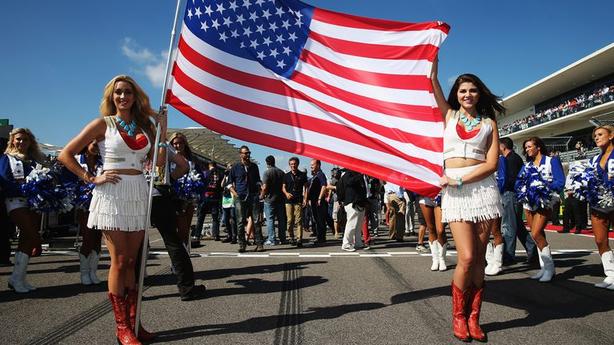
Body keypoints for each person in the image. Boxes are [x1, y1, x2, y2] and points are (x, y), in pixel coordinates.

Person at [58, 75, 163, 344]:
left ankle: (134, 323)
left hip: (138, 190)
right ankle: (122, 328)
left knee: (132, 261)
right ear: (111, 96)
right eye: (118, 92)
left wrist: (163, 128)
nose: (123, 96)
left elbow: (158, 160)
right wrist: (91, 177)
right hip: (112, 191)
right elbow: (65, 154)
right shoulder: (102, 124)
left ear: (135, 96)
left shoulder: (144, 125)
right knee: (118, 261)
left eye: (128, 92)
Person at [432, 60, 504, 342]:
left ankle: (474, 318)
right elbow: (432, 84)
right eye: (463, 90)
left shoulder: (488, 123)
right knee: (467, 257)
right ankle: (459, 316)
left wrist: (459, 179)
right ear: (457, 94)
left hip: (482, 191)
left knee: (479, 264)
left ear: (479, 94)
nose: (468, 95)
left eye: (473, 90)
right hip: (455, 195)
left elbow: (492, 164)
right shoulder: (448, 116)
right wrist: (433, 64)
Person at [0, 128, 47, 293]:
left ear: (30, 142)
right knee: (31, 234)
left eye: (25, 140)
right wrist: (25, 190)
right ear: (12, 140)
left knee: (26, 239)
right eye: (18, 139)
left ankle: (17, 279)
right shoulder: (6, 158)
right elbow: (5, 180)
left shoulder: (36, 161)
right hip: (15, 202)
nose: (21, 142)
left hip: (34, 203)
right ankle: (38, 245)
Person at [517, 136, 564, 285]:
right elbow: (519, 182)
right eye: (526, 147)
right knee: (537, 235)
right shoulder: (527, 165)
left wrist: (543, 187)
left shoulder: (552, 161)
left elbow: (560, 181)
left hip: (546, 200)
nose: (527, 149)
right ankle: (544, 267)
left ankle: (550, 268)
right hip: (529, 203)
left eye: (530, 146)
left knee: (536, 233)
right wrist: (523, 189)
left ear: (538, 147)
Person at [496, 137, 537, 265]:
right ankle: (533, 252)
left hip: (511, 194)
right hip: (512, 194)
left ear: (503, 147)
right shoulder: (513, 158)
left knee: (508, 225)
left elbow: (511, 179)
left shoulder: (511, 159)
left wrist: (500, 185)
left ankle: (509, 255)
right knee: (518, 226)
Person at [587, 125, 614, 289]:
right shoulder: (594, 159)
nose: (596, 137)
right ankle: (610, 274)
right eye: (595, 136)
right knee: (599, 239)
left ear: (611, 136)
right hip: (598, 205)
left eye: (600, 134)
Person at [74, 141, 103, 285]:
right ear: (87, 144)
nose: (97, 147)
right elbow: (69, 181)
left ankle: (93, 272)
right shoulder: (77, 160)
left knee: (98, 239)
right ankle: (84, 273)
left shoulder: (103, 161)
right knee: (88, 237)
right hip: (84, 205)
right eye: (94, 144)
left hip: (101, 205)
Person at [227, 145, 263, 252]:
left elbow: (257, 180)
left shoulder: (254, 167)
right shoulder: (235, 167)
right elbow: (229, 183)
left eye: (249, 153)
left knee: (256, 220)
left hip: (253, 195)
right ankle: (242, 244)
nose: (248, 155)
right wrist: (235, 193)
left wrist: (261, 185)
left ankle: (259, 244)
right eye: (245, 153)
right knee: (240, 221)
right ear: (241, 154)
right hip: (240, 196)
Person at [169, 132, 199, 245]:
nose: (178, 145)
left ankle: (184, 251)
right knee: (180, 226)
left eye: (180, 143)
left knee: (186, 226)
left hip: (190, 196)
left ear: (185, 143)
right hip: (174, 196)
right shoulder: (169, 158)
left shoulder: (193, 159)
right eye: (175, 143)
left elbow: (199, 175)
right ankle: (180, 252)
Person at [338, 169, 367, 251]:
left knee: (358, 225)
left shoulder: (357, 174)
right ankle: (346, 244)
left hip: (359, 202)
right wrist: (360, 175)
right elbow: (349, 182)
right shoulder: (348, 174)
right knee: (351, 224)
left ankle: (358, 243)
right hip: (352, 202)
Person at [261, 155, 287, 245]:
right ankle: (282, 238)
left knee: (270, 219)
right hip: (280, 199)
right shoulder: (281, 173)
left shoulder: (267, 173)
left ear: (267, 163)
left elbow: (264, 187)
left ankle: (272, 239)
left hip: (269, 199)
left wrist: (261, 196)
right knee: (281, 219)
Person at [282, 157, 308, 247]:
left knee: (299, 220)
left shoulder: (302, 175)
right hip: (288, 200)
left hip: (298, 200)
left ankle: (299, 239)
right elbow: (283, 187)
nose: (293, 165)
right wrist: (286, 193)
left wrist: (305, 198)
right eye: (291, 164)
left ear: (298, 164)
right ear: (289, 165)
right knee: (289, 220)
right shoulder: (286, 175)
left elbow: (306, 188)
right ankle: (291, 237)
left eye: (294, 164)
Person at [194, 161, 222, 241]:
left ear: (209, 166)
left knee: (201, 217)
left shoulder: (205, 173)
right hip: (215, 197)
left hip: (206, 197)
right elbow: (221, 186)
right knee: (215, 217)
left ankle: (197, 234)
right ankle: (216, 235)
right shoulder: (220, 174)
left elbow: (201, 183)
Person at [306, 159, 328, 245]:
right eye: (310, 164)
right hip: (314, 201)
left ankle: (321, 238)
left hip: (318, 201)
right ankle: (319, 236)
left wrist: (319, 198)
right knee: (317, 220)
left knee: (320, 220)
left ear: (318, 165)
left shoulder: (320, 175)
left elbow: (324, 186)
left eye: (313, 164)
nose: (311, 166)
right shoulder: (315, 175)